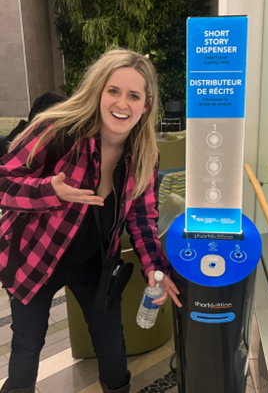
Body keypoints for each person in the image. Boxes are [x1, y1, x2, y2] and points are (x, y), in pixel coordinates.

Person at [0, 49, 182, 393]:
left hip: (94, 265)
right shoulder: (58, 130)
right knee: (27, 348)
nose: (122, 103)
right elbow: (2, 182)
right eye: (113, 90)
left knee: (113, 348)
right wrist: (48, 191)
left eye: (134, 95)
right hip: (35, 259)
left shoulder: (145, 153)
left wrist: (156, 270)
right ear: (98, 91)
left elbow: (142, 218)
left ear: (146, 105)